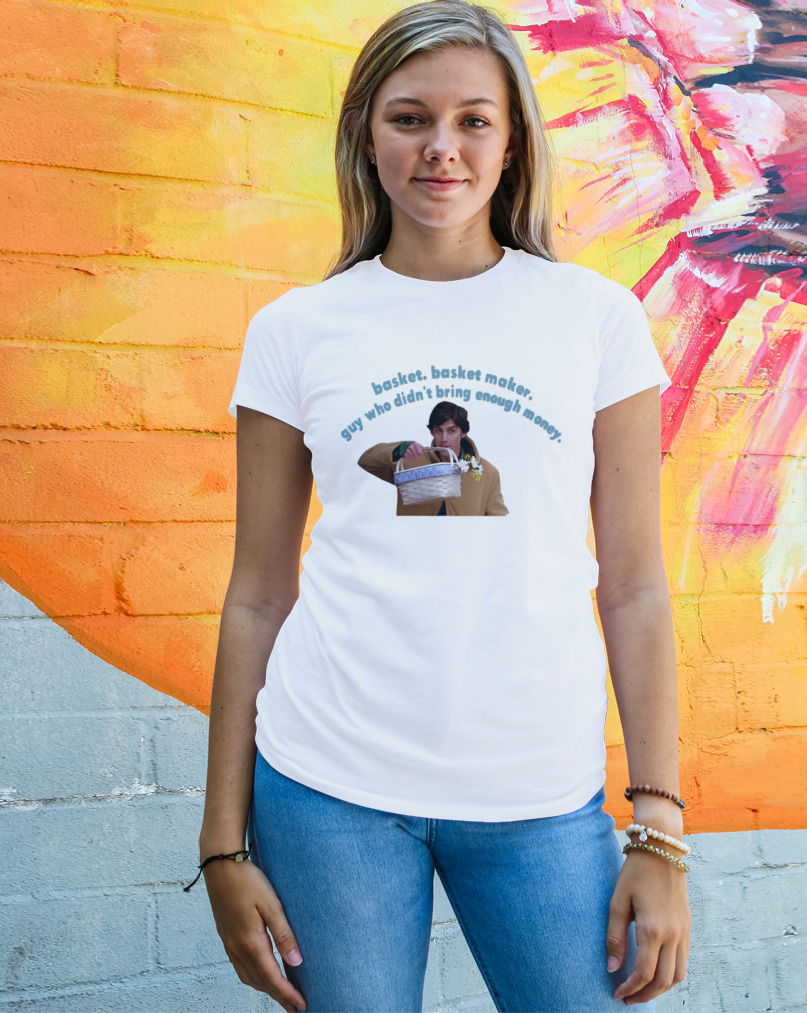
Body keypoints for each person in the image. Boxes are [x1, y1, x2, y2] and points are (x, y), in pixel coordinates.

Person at [196, 2, 691, 1011]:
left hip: (541, 795)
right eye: (410, 118)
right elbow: (256, 593)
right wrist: (219, 845)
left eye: (474, 120)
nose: (442, 149)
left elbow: (635, 585)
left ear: (512, 145)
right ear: (366, 136)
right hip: (327, 784)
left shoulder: (594, 319)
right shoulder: (297, 330)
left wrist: (658, 823)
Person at [357, 400, 508, 515]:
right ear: (432, 432)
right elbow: (365, 461)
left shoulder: (488, 473)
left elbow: (498, 524)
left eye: (451, 431)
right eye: (438, 431)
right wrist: (399, 450)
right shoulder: (411, 462)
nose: (444, 438)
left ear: (463, 433)